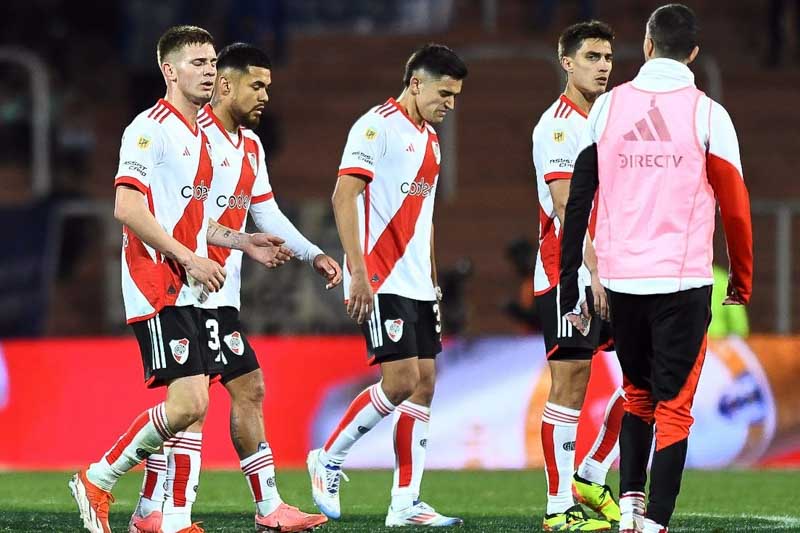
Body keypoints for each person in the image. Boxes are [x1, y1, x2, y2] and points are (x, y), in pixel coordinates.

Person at [127, 43, 338, 533]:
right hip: (188, 289)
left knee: (247, 388)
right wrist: (191, 260)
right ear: (225, 84)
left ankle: (256, 508)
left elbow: (264, 212)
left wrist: (313, 254)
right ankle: (159, 509)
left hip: (223, 292)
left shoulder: (250, 145)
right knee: (190, 407)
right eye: (257, 85)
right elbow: (179, 217)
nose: (265, 96)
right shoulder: (189, 136)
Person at [558, 5, 753, 533]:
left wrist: (571, 273)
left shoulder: (607, 107)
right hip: (682, 283)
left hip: (621, 285)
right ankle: (656, 524)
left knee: (638, 396)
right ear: (693, 52)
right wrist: (742, 276)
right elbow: (735, 204)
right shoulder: (708, 114)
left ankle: (631, 517)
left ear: (646, 45)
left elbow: (578, 199)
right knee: (674, 409)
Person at [68, 25, 226, 533]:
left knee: (194, 408)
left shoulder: (201, 135)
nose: (209, 71)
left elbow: (191, 216)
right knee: (187, 404)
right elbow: (126, 207)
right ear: (169, 71)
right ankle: (97, 477)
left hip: (191, 284)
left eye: (212, 61)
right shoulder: (146, 128)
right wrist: (189, 259)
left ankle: (160, 517)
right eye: (198, 62)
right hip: (156, 281)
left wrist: (243, 243)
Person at [306, 44, 467, 527]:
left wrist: (434, 281)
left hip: (418, 284)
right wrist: (357, 270)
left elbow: (428, 220)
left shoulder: (432, 141)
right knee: (399, 382)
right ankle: (329, 457)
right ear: (416, 82)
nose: (451, 104)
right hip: (383, 276)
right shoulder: (375, 126)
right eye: (445, 92)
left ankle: (405, 504)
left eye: (456, 95)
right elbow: (343, 196)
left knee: (425, 385)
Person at [531, 20, 625, 532]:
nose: (604, 66)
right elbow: (569, 207)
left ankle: (591, 472)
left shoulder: (610, 120)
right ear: (567, 62)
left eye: (608, 56)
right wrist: (593, 273)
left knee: (646, 375)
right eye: (592, 56)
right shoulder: (559, 126)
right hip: (569, 271)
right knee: (570, 384)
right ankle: (555, 509)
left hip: (614, 268)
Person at [708, 264, 750, 338]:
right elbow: (737, 320)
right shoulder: (721, 278)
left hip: (692, 343)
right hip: (720, 341)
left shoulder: (684, 280)